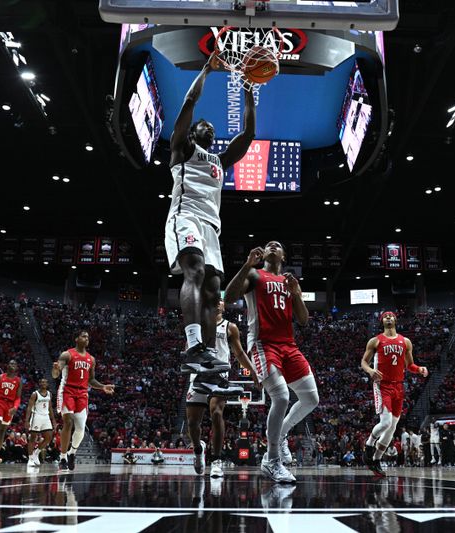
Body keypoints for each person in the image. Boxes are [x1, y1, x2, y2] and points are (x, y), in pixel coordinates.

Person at [166, 50, 257, 394]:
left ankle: (205, 364)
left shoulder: (219, 160)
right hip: (185, 215)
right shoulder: (182, 149)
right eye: (203, 125)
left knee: (213, 290)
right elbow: (190, 101)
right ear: (192, 134)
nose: (209, 126)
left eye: (212, 127)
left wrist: (249, 86)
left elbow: (248, 134)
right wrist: (206, 69)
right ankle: (192, 346)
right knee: (196, 272)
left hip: (211, 228)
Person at [224, 241, 318, 483]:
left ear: (284, 255)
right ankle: (272, 459)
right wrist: (246, 265)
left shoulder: (288, 283)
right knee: (282, 397)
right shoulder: (255, 274)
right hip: (263, 344)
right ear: (264, 254)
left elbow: (304, 319)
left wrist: (296, 292)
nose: (273, 246)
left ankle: (282, 434)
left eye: (278, 245)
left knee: (311, 399)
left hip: (289, 345)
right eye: (269, 245)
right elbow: (231, 296)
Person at [185, 300, 258, 477]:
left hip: (220, 375)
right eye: (213, 299)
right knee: (193, 423)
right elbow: (187, 350)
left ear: (224, 306)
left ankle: (216, 461)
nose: (216, 303)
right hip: (199, 374)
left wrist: (254, 373)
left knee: (216, 413)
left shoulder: (230, 327)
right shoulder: (197, 327)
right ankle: (198, 450)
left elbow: (239, 353)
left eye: (220, 300)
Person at [360, 311, 428, 477]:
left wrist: (419, 369)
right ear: (382, 321)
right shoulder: (375, 340)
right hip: (382, 385)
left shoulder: (405, 341)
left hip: (398, 386)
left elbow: (409, 365)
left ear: (395, 319)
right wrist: (370, 370)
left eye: (391, 316)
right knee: (385, 422)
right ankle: (368, 446)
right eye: (385, 316)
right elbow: (363, 362)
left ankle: (376, 460)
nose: (388, 318)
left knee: (392, 428)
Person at [52, 331, 115, 472]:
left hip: (82, 393)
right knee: (67, 422)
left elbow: (91, 380)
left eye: (87, 337)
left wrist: (103, 387)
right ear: (76, 339)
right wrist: (55, 369)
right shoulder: (66, 354)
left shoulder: (91, 359)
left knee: (81, 428)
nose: (86, 339)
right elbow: (55, 374)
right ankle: (62, 458)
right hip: (67, 390)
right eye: (83, 336)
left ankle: (72, 453)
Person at [0, 359, 22, 468]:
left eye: (15, 364)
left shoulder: (18, 381)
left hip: (10, 406)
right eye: (11, 363)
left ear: (17, 367)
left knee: (3, 431)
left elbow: (18, 398)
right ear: (7, 365)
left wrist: (15, 407)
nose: (13, 365)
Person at [25, 378, 56, 467]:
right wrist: (27, 420)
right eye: (42, 382)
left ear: (47, 384)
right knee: (33, 438)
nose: (43, 383)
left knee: (49, 437)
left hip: (46, 416)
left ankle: (36, 452)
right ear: (39, 383)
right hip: (36, 416)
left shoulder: (49, 394)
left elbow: (50, 407)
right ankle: (30, 459)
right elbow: (29, 408)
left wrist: (53, 420)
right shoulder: (35, 394)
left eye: (45, 382)